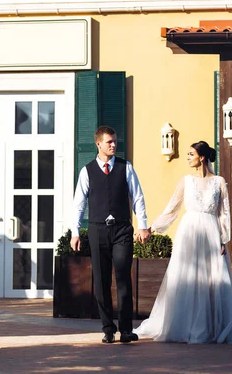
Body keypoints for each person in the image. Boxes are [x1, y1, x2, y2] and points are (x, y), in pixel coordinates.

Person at [133, 141, 232, 344]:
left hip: (212, 234)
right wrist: (152, 228)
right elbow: (172, 209)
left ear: (202, 157)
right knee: (186, 277)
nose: (187, 157)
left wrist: (224, 239)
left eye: (191, 154)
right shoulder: (185, 181)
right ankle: (185, 325)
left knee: (212, 280)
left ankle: (213, 327)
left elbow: (224, 213)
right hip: (189, 233)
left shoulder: (219, 182)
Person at [71, 125, 151, 344]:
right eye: (109, 142)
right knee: (102, 280)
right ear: (99, 143)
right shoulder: (86, 171)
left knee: (123, 278)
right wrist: (75, 232)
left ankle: (126, 329)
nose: (114, 145)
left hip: (122, 229)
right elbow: (78, 204)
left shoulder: (126, 167)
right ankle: (108, 329)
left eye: (115, 141)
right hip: (97, 230)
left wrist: (142, 225)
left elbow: (138, 197)